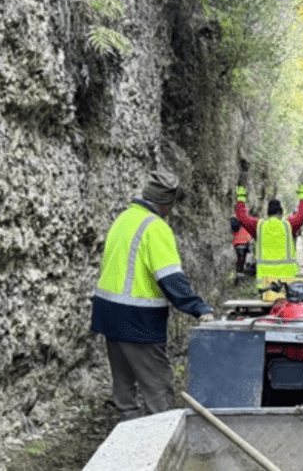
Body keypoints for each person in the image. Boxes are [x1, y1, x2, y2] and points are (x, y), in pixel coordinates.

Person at [90, 170, 214, 420]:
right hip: (138, 319)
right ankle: (158, 439)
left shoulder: (123, 219)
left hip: (108, 312)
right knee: (156, 385)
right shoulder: (156, 228)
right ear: (167, 204)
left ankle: (128, 435)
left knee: (124, 385)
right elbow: (170, 279)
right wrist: (199, 308)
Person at [234, 184, 303, 278]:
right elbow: (302, 215)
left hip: (265, 278)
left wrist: (241, 199)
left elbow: (242, 218)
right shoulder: (288, 225)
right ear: (280, 212)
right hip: (286, 276)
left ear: (268, 213)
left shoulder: (259, 226)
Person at [230, 216, 252, 283]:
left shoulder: (236, 221)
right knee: (242, 258)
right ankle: (240, 275)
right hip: (245, 242)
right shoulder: (243, 221)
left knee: (240, 258)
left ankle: (240, 274)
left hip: (237, 243)